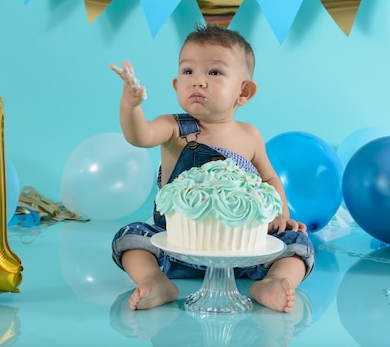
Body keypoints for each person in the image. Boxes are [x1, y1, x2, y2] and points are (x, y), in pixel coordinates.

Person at [110, 24, 314, 312]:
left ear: (243, 92)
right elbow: (139, 135)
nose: (198, 82)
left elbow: (268, 177)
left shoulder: (249, 135)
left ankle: (273, 281)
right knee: (130, 237)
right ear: (176, 84)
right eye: (188, 71)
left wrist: (281, 213)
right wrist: (131, 107)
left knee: (297, 243)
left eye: (214, 73)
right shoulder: (174, 128)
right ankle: (154, 280)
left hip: (243, 249)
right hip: (178, 244)